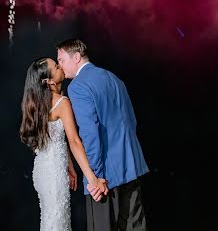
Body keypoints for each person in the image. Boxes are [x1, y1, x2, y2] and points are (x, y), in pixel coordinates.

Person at [57, 39, 149, 231]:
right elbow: (131, 121)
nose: (60, 66)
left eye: (62, 60)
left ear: (76, 57)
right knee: (135, 226)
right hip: (131, 166)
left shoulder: (77, 86)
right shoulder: (114, 78)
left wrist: (95, 177)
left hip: (106, 175)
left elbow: (90, 135)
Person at [20, 56, 108, 231]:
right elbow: (74, 141)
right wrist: (92, 179)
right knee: (58, 223)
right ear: (50, 81)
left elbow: (55, 139)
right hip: (54, 174)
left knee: (49, 221)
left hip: (41, 172)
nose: (60, 66)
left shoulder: (35, 105)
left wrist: (70, 166)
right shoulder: (62, 103)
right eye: (56, 66)